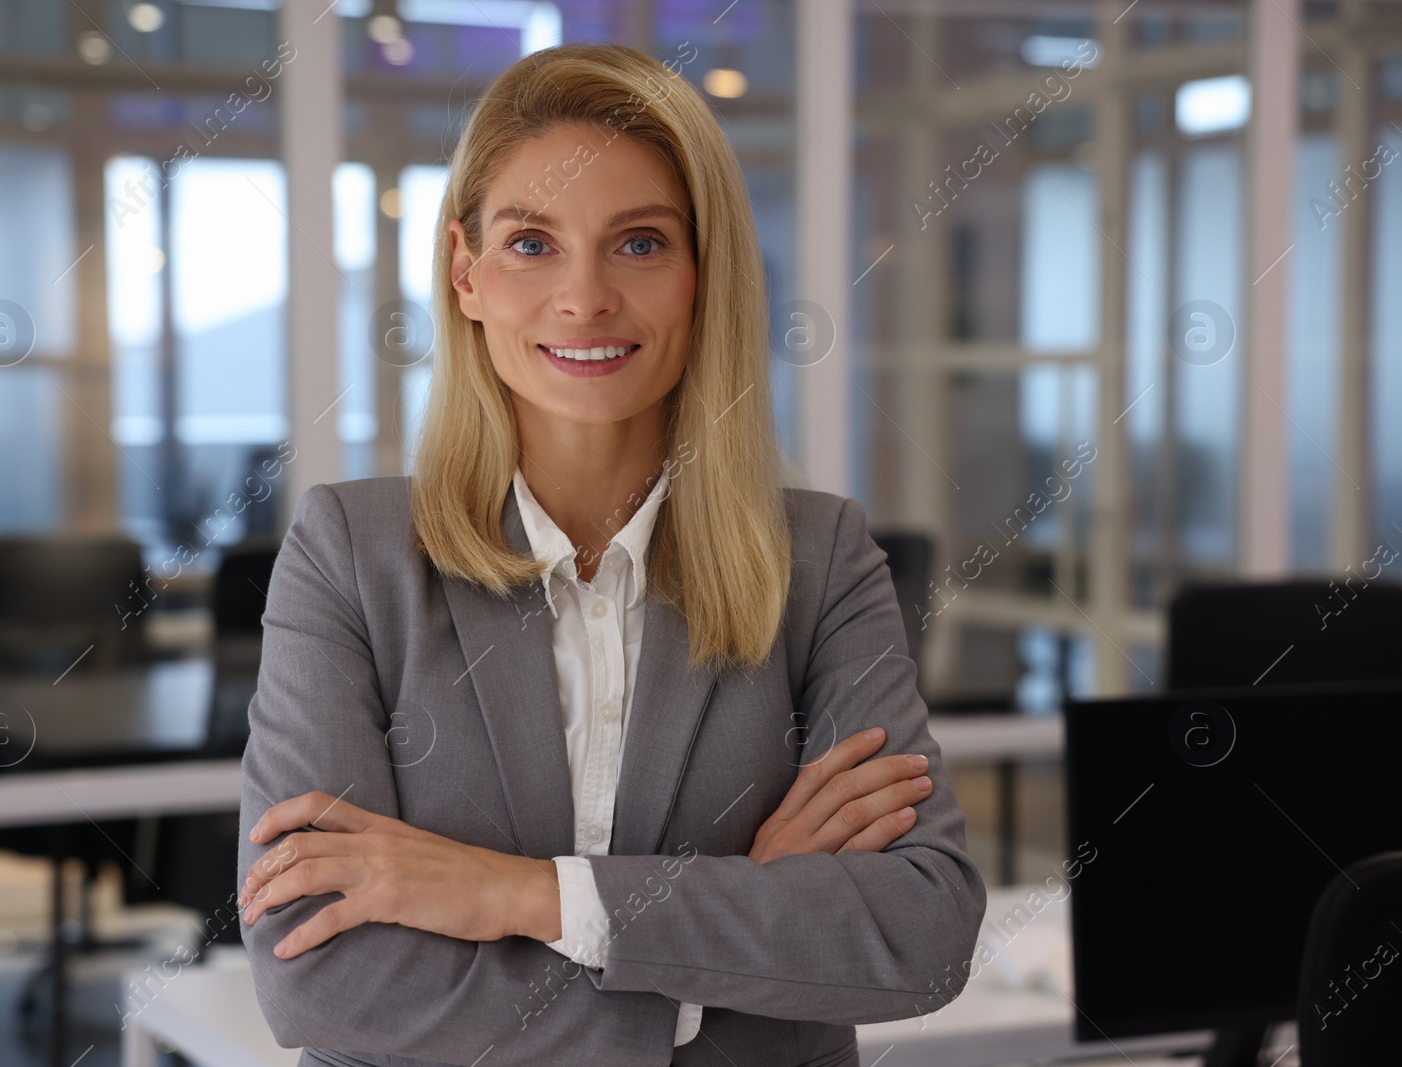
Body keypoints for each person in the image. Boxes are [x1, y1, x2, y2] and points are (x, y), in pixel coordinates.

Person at [236, 41, 985, 1067]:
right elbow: (316, 975)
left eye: (637, 244)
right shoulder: (349, 558)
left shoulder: (820, 561)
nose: (583, 298)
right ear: (465, 273)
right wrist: (726, 952)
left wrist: (513, 891)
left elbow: (918, 933)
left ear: (702, 272)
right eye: (531, 243)